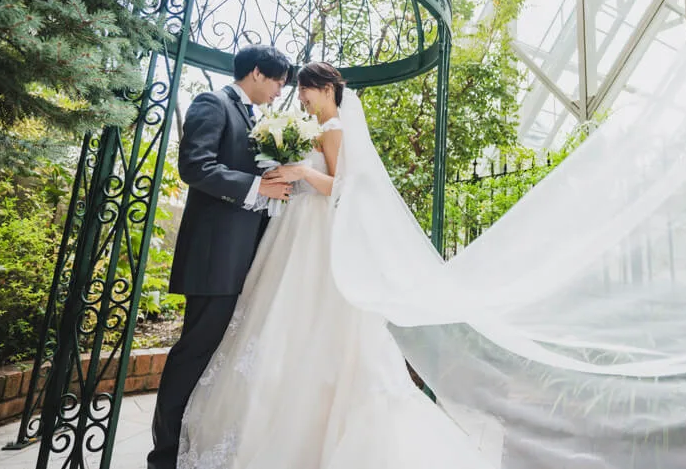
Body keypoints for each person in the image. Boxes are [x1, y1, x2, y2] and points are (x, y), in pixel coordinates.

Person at [177, 61, 494, 469]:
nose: (301, 98)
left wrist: (303, 172)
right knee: (279, 320)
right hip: (291, 233)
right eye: (297, 91)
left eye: (304, 90)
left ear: (326, 88)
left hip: (317, 235)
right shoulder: (313, 127)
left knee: (314, 321)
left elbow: (344, 189)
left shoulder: (334, 128)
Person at [148, 45, 293, 469]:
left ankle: (193, 446)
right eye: (278, 80)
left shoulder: (256, 118)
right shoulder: (212, 103)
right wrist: (257, 186)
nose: (280, 89)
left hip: (244, 261)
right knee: (193, 354)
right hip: (215, 260)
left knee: (217, 359)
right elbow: (195, 166)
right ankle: (164, 457)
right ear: (256, 73)